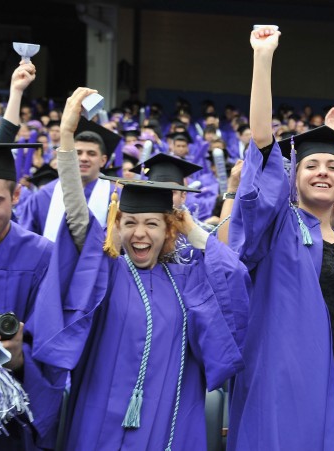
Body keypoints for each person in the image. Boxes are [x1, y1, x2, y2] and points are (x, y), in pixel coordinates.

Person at [30, 87, 250, 450]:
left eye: (152, 223)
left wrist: (193, 231)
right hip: (100, 415)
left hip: (168, 418)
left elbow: (234, 283)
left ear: (168, 229)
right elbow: (76, 217)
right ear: (116, 226)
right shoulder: (106, 271)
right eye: (129, 222)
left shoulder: (188, 277)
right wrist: (66, 138)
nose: (140, 232)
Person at [227, 27, 334, 451]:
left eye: (333, 167)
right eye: (311, 165)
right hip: (278, 385)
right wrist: (263, 59)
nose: (322, 172)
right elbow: (263, 143)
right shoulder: (278, 228)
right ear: (292, 180)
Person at [0, 143, 66, 450]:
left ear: (16, 197)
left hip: (10, 423)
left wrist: (19, 358)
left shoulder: (43, 258)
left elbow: (53, 353)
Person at [20, 117, 121, 241]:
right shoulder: (44, 196)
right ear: (69, 156)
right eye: (78, 153)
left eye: (91, 153)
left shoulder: (116, 198)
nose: (84, 158)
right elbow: (27, 241)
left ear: (103, 160)